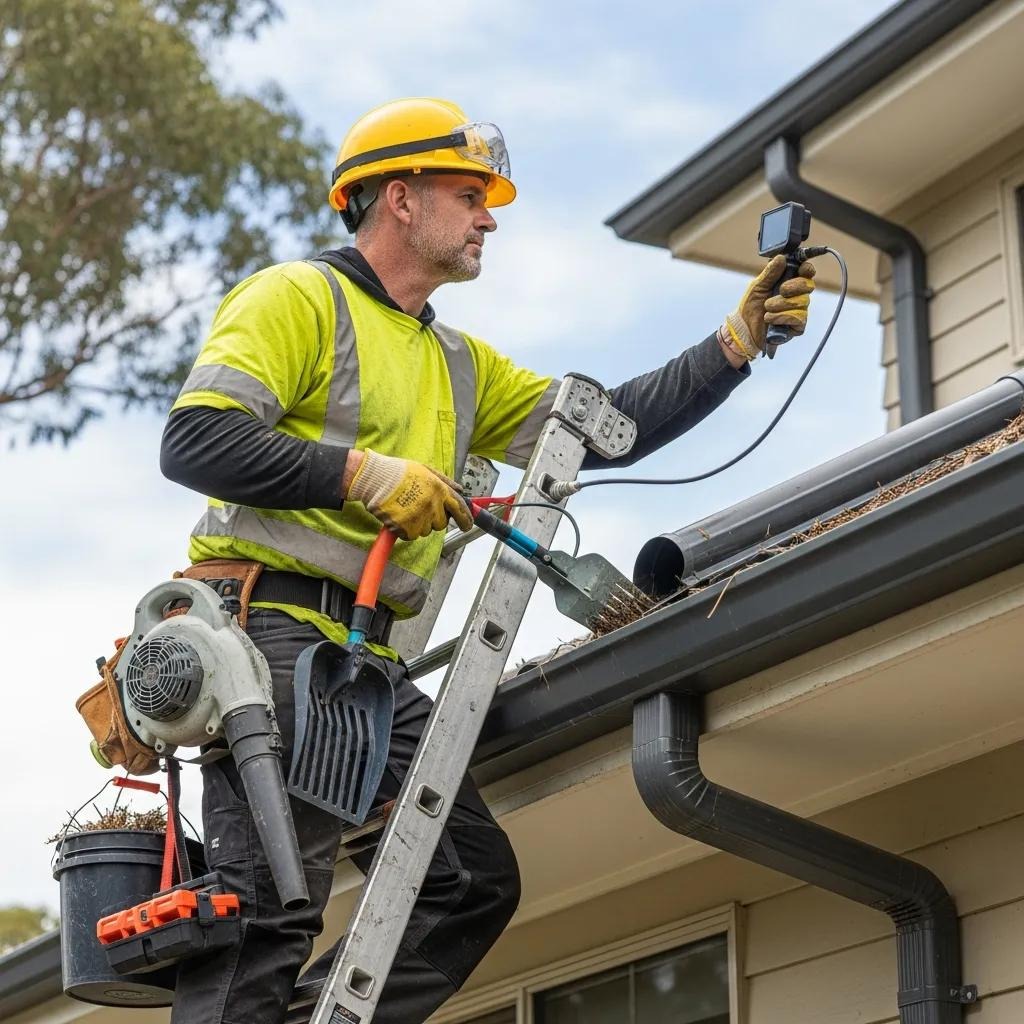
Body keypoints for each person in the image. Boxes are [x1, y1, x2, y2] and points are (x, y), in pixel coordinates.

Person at [160, 97, 815, 1024]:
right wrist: (361, 472)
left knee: (467, 881)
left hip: (363, 658)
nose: (489, 216)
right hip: (267, 639)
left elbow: (604, 434)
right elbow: (195, 441)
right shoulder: (298, 299)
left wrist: (735, 343)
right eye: (469, 194)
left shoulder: (458, 364)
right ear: (398, 198)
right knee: (267, 918)